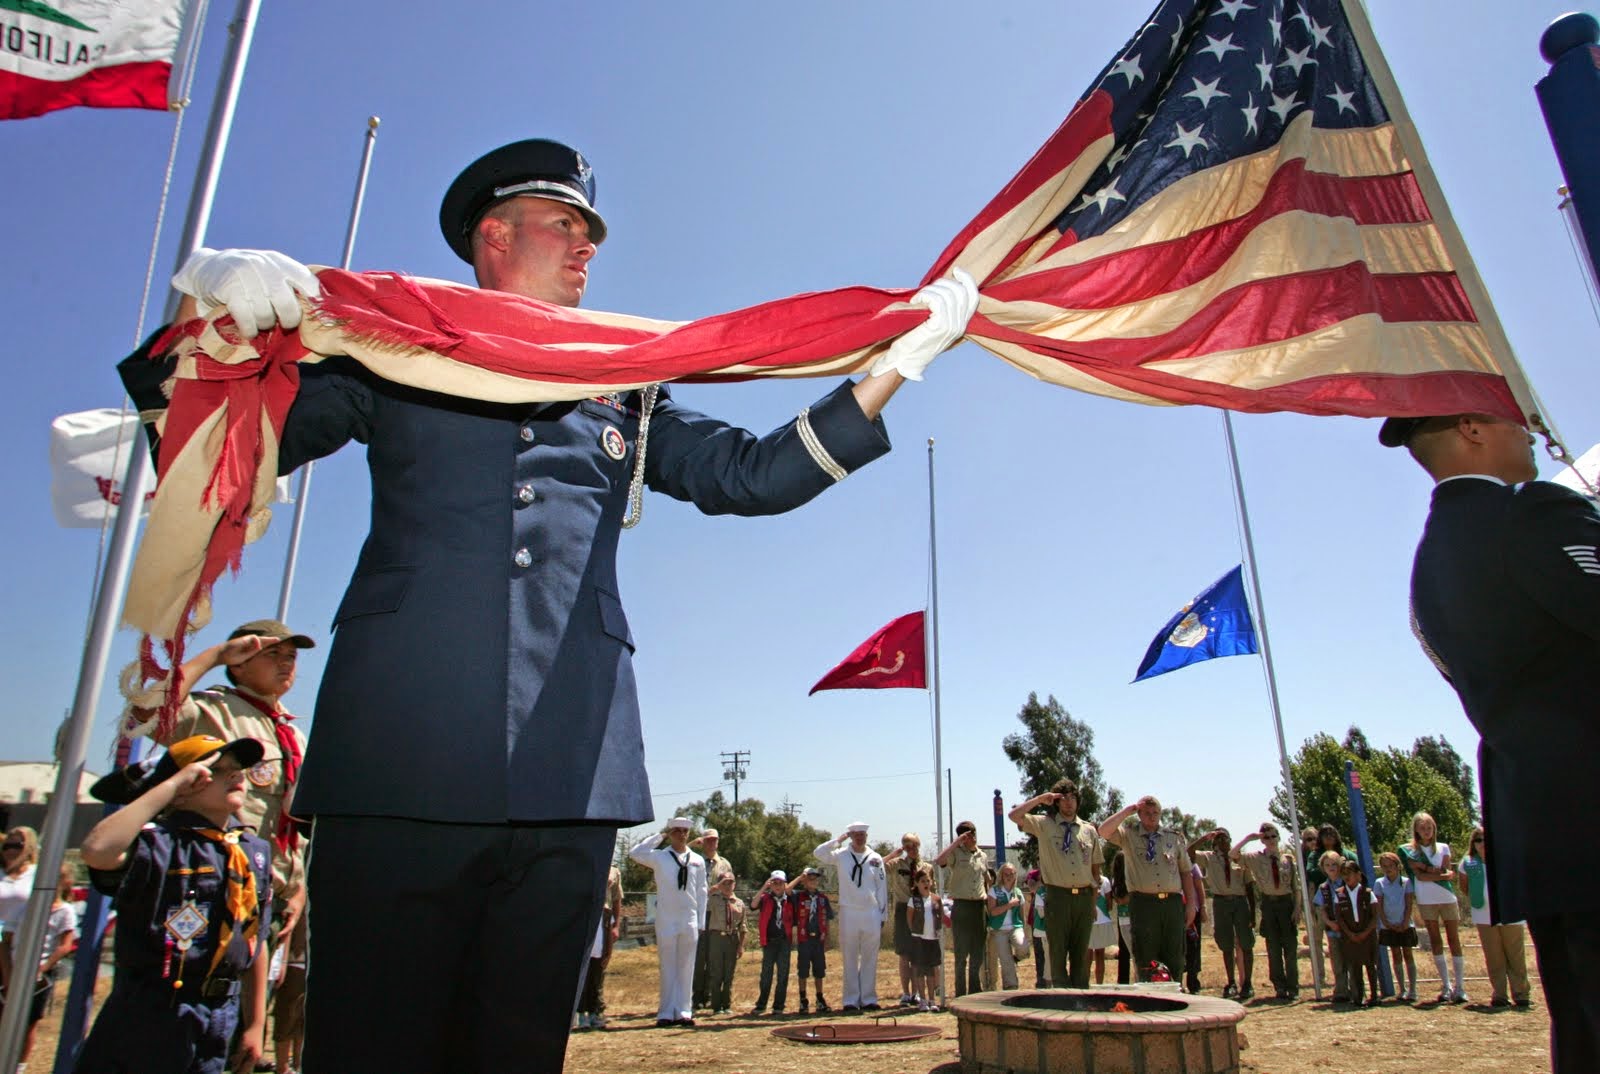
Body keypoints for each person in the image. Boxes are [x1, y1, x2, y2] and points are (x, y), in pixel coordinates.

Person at [125, 138, 977, 1072]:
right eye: (567, 225)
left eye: (592, 233)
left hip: (569, 768)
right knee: (373, 1044)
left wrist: (899, 361)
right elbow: (212, 427)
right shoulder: (391, 350)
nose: (588, 249)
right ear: (495, 235)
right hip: (402, 754)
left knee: (518, 1051)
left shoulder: (622, 376)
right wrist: (221, 313)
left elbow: (752, 475)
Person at [1384, 409, 1599, 1071]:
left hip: (1541, 827)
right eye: (1513, 421)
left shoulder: (1428, 563)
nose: (1530, 431)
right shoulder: (1530, 515)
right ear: (1473, 427)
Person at [74, 735, 274, 1074]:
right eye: (217, 771)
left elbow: (255, 938)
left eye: (237, 769)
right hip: (153, 1011)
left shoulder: (252, 851)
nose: (236, 775)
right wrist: (170, 786)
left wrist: (254, 1023)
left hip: (219, 1013)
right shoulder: (159, 843)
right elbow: (97, 850)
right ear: (183, 786)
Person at [1008, 781, 1103, 988]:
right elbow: (1014, 816)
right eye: (1063, 798)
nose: (1068, 803)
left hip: (1084, 897)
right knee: (1057, 953)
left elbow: (1096, 870)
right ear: (1056, 802)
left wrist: (1093, 901)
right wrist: (1041, 799)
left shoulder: (1089, 830)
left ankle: (1080, 998)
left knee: (1081, 953)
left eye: (1072, 797)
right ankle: (1062, 1000)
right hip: (1058, 896)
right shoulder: (1044, 824)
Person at [1099, 797, 1197, 986]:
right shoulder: (1129, 835)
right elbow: (1104, 831)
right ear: (1139, 815)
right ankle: (1149, 995)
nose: (1151, 817)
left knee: (1175, 953)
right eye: (1146, 813)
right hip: (1144, 903)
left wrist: (1191, 904)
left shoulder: (1173, 837)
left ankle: (1175, 993)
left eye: (1155, 813)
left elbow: (1186, 871)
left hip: (1172, 902)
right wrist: (1127, 811)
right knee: (1146, 953)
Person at [628, 819, 707, 1027]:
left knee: (686, 966)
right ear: (671, 833)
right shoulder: (660, 857)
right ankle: (665, 1012)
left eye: (684, 831)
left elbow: (702, 892)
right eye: (676, 831)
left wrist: (701, 921)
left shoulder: (697, 860)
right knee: (668, 966)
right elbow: (635, 853)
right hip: (667, 918)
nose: (681, 835)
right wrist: (660, 836)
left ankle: (684, 1011)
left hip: (688, 918)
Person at [0, 864, 76, 1069]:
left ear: (65, 883)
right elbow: (6, 941)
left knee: (28, 1023)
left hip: (40, 977)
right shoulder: (24, 908)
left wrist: (42, 969)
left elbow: (65, 945)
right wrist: (8, 975)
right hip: (12, 969)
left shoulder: (65, 912)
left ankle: (18, 1067)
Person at [815, 823, 888, 1011]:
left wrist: (883, 914)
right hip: (849, 911)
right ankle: (850, 1000)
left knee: (870, 957)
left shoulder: (875, 858)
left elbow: (881, 887)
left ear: (867, 836)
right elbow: (819, 853)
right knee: (849, 957)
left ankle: (869, 998)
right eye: (855, 835)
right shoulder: (841, 855)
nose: (859, 838)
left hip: (870, 911)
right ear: (850, 836)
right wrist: (838, 840)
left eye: (862, 834)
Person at [1458, 827, 1532, 1009]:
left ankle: (1521, 993)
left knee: (1515, 955)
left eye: (1485, 839)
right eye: (1478, 840)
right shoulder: (1468, 862)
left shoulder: (1506, 859)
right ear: (1473, 844)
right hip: (1484, 916)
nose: (1482, 844)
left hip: (1510, 913)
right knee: (1494, 957)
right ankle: (1499, 994)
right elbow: (1464, 887)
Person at [1398, 811, 1467, 1004]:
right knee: (1436, 940)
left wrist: (1430, 872)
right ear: (1416, 830)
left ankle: (1460, 986)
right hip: (1426, 899)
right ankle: (1446, 985)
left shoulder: (1443, 848)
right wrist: (1433, 873)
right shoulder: (1410, 851)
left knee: (1454, 939)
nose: (1426, 831)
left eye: (1429, 827)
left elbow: (1445, 873)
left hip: (1446, 896)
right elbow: (1421, 876)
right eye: (1422, 828)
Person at [1234, 823, 1300, 1000]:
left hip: (1286, 904)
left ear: (1278, 837)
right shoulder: (1255, 857)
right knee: (1273, 948)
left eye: (1273, 836)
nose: (1270, 840)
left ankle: (1293, 987)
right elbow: (1233, 855)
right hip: (1269, 904)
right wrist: (1249, 838)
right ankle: (1279, 986)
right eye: (1266, 837)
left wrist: (1297, 908)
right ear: (1262, 840)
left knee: (1291, 947)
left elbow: (1296, 887)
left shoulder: (1288, 859)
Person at [1189, 827, 1253, 999]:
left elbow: (1249, 885)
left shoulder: (1239, 857)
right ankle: (1231, 982)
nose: (1223, 841)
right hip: (1221, 901)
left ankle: (1247, 983)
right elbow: (1189, 853)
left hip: (1240, 901)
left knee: (1246, 942)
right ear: (1214, 842)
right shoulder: (1209, 857)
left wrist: (1253, 911)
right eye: (1218, 838)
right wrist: (1203, 837)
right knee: (1226, 944)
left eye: (1225, 837)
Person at [934, 821, 990, 996]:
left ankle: (975, 990)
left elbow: (986, 878)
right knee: (961, 953)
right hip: (962, 906)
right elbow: (939, 860)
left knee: (977, 952)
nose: (971, 838)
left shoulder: (982, 855)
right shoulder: (956, 854)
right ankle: (960, 992)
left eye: (973, 834)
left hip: (979, 906)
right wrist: (956, 843)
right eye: (967, 835)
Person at [688, 829, 734, 1011]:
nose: (711, 843)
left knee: (713, 957)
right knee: (699, 957)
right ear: (702, 842)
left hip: (717, 915)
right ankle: (697, 996)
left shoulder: (724, 864)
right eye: (708, 840)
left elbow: (730, 888)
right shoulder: (694, 861)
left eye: (714, 840)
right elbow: (680, 852)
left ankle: (709, 995)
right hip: (698, 913)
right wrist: (692, 843)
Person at [576, 864, 625, 1029]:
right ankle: (580, 1012)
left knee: (599, 965)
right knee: (583, 967)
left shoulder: (613, 870)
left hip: (604, 918)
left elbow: (617, 900)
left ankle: (596, 1010)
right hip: (585, 915)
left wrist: (616, 925)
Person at [882, 834, 928, 1005]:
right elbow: (876, 865)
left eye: (914, 846)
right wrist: (894, 854)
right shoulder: (897, 864)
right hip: (902, 909)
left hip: (919, 909)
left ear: (919, 845)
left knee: (917, 954)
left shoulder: (926, 866)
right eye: (907, 846)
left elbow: (932, 888)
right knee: (904, 954)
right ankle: (906, 993)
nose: (911, 849)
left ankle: (916, 992)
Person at [748, 870, 795, 1016]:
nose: (777, 886)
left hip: (784, 941)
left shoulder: (790, 899)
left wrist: (791, 885)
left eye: (780, 883)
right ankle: (761, 1004)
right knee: (766, 974)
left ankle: (778, 1005)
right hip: (769, 941)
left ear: (785, 884)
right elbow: (753, 905)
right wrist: (763, 887)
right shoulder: (765, 898)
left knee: (783, 974)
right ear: (771, 884)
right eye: (774, 883)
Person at [1374, 851, 1419, 1002]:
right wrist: (1386, 923)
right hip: (1389, 925)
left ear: (1398, 866)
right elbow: (1379, 905)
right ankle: (1402, 989)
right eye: (1384, 866)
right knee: (1395, 955)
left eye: (1391, 865)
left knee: (1408, 954)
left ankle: (1413, 989)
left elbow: (1409, 903)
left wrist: (1405, 922)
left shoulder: (1406, 882)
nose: (1388, 869)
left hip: (1405, 924)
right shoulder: (1379, 883)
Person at [1334, 861, 1380, 1007]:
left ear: (1358, 875)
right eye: (1344, 874)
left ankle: (1374, 995)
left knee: (1371, 965)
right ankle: (1358, 996)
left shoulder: (1368, 893)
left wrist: (1365, 933)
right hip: (1350, 937)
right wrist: (1350, 933)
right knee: (1355, 967)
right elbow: (1339, 918)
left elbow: (1375, 916)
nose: (1347, 877)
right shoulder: (1339, 894)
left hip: (1368, 936)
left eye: (1350, 873)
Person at [702, 873, 745, 1016]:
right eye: (724, 883)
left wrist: (741, 945)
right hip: (716, 938)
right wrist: (714, 888)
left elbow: (742, 926)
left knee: (729, 973)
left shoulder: (739, 903)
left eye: (730, 883)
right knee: (716, 972)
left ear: (735, 885)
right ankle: (716, 1005)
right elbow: (700, 900)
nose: (728, 886)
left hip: (732, 939)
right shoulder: (713, 900)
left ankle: (726, 1004)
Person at [792, 867, 834, 1013]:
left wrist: (827, 939)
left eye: (815, 878)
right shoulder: (798, 897)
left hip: (819, 939)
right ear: (804, 881)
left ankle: (819, 998)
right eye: (810, 878)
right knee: (803, 970)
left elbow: (828, 919)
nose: (813, 881)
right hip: (804, 939)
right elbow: (786, 891)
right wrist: (799, 877)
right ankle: (803, 999)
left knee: (819, 970)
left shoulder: (823, 898)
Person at [1312, 849, 1350, 1003]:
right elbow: (1320, 909)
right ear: (1323, 868)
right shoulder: (1323, 888)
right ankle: (1341, 990)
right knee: (1337, 961)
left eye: (1334, 864)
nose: (1331, 867)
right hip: (1333, 929)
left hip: (1349, 928)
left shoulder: (1348, 883)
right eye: (1327, 865)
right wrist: (1330, 923)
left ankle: (1355, 989)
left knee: (1351, 960)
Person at [905, 870, 946, 1013]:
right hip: (919, 939)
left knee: (931, 971)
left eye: (928, 881)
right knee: (919, 971)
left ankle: (932, 1000)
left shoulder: (936, 899)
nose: (926, 884)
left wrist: (938, 930)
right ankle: (922, 1000)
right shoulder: (913, 900)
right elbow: (909, 919)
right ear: (917, 884)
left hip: (932, 939)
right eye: (922, 881)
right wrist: (915, 933)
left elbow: (940, 915)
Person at [984, 863, 1026, 991]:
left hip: (1015, 927)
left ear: (1015, 875)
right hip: (999, 930)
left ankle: (1017, 958)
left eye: (1011, 874)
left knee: (1023, 947)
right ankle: (1011, 987)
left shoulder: (1018, 892)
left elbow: (1022, 912)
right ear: (1001, 875)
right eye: (1006, 874)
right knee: (1005, 960)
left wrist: (1022, 927)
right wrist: (1009, 905)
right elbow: (993, 911)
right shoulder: (994, 891)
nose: (1008, 876)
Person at [1022, 870, 1051, 988]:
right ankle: (1041, 981)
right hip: (1038, 922)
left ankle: (1047, 979)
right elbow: (1031, 887)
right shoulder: (1035, 873)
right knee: (1039, 953)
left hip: (1050, 925)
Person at [1109, 854, 1133, 985]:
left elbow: (1118, 899)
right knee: (1133, 950)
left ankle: (1122, 980)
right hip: (1132, 917)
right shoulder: (1130, 878)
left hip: (1122, 918)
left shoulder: (1115, 880)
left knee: (1123, 951)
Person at [1089, 871, 1116, 985]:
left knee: (1087, 956)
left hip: (1088, 921)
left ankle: (1085, 984)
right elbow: (1110, 905)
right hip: (1103, 921)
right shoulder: (1105, 881)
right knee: (1100, 956)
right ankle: (1099, 985)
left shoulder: (1084, 880)